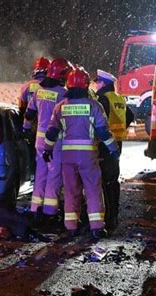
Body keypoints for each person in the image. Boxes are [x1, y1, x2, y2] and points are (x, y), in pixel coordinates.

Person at [43, 68, 120, 239]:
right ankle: (97, 227)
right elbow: (103, 133)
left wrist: (47, 150)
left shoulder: (60, 107)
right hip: (88, 157)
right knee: (93, 190)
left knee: (71, 191)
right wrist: (113, 149)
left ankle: (71, 226)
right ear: (86, 85)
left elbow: (51, 133)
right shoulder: (94, 106)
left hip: (67, 157)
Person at [23, 58, 72, 220]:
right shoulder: (63, 94)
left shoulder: (39, 91)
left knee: (40, 172)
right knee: (54, 174)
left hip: (39, 140)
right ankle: (49, 211)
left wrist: (26, 129)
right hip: (55, 141)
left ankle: (35, 207)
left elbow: (29, 114)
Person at [94, 69, 134, 232]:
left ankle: (107, 219)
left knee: (103, 183)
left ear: (103, 83)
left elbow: (99, 122)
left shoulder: (102, 99)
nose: (96, 85)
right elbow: (130, 115)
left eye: (97, 82)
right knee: (112, 181)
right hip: (116, 143)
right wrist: (120, 129)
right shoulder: (119, 98)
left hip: (105, 144)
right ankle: (113, 216)